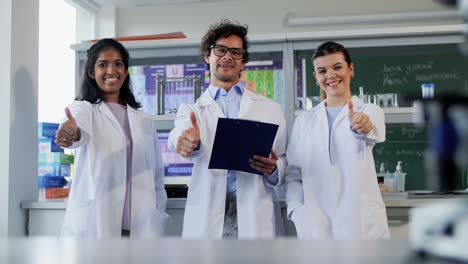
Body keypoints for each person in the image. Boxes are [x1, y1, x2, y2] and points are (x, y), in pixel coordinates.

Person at [168, 20, 287, 239]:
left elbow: (285, 161)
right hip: (209, 214)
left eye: (235, 52)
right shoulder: (192, 110)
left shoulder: (270, 108)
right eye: (220, 50)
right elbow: (179, 135)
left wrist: (274, 168)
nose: (227, 57)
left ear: (243, 62)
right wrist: (185, 141)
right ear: (208, 56)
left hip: (254, 212)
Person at [55, 38, 169, 238]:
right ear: (92, 72)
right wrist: (71, 133)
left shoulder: (143, 120)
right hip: (98, 222)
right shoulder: (85, 110)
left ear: (125, 71)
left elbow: (156, 176)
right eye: (103, 65)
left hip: (140, 225)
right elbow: (76, 127)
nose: (111, 70)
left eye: (118, 64)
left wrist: (158, 212)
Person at [285, 41, 390, 239]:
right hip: (316, 227)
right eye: (322, 71)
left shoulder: (368, 111)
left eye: (337, 67)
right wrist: (296, 210)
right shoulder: (304, 121)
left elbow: (371, 129)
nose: (331, 75)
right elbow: (293, 174)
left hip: (361, 227)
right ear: (316, 78)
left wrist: (361, 126)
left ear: (351, 69)